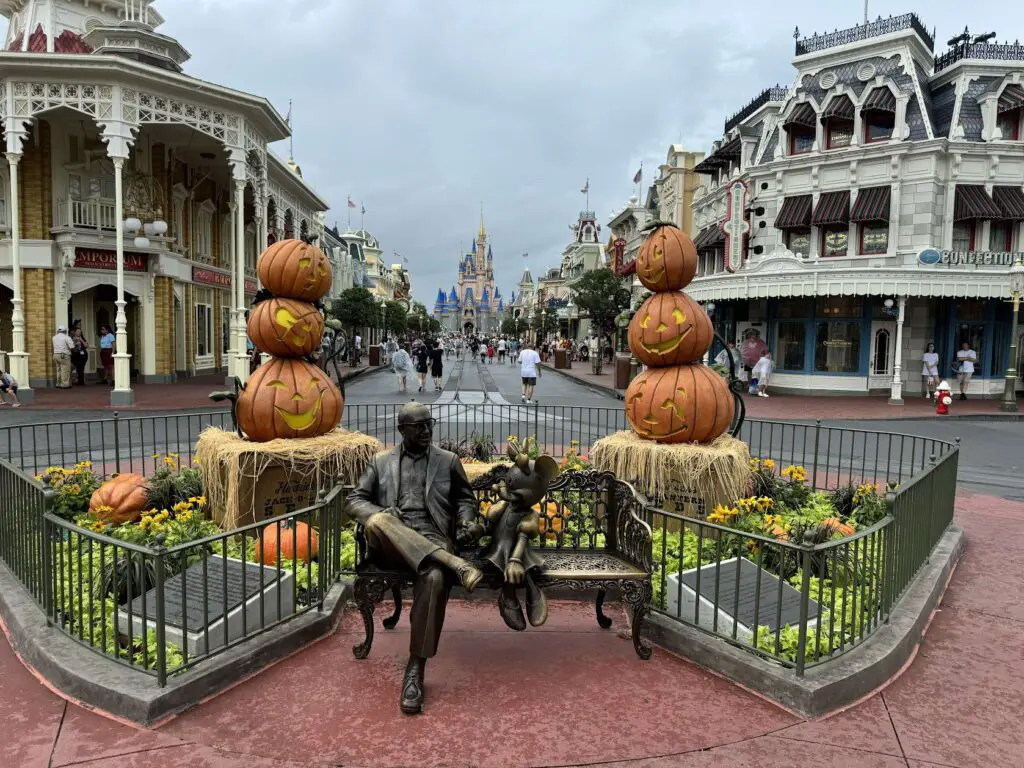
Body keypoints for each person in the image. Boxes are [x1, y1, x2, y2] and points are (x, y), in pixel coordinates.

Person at [348, 402, 484, 715]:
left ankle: (415, 667)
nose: (426, 431)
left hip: (431, 537)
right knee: (381, 521)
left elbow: (465, 500)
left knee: (434, 577)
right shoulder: (380, 462)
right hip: (389, 544)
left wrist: (465, 521)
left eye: (429, 424)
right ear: (401, 430)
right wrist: (380, 514)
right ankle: (454, 564)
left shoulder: (447, 461)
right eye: (418, 426)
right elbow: (355, 499)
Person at [519, 340, 542, 404]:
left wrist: (524, 362)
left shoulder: (522, 352)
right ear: (533, 347)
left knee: (524, 384)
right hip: (531, 372)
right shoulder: (535, 353)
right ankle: (528, 400)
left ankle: (523, 395)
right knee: (531, 386)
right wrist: (539, 371)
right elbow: (538, 363)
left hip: (524, 371)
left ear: (527, 347)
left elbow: (519, 361)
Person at [52, 324, 75, 389]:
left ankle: (58, 383)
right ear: (65, 331)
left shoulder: (54, 337)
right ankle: (64, 384)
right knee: (65, 370)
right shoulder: (67, 337)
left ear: (58, 331)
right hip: (64, 355)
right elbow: (72, 347)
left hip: (55, 355)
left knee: (58, 369)